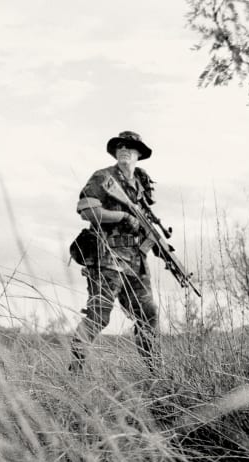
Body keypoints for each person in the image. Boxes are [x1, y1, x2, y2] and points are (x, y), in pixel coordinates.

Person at [68, 130, 159, 373]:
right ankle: (75, 370)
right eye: (119, 146)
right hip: (107, 256)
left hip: (136, 263)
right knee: (99, 315)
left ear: (139, 154)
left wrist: (155, 242)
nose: (123, 149)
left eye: (129, 146)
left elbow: (146, 224)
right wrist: (122, 216)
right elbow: (86, 210)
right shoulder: (103, 177)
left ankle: (155, 372)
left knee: (148, 315)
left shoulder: (142, 186)